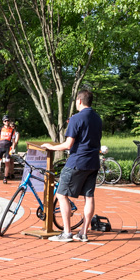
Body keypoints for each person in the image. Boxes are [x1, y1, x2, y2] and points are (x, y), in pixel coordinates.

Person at [42, 89, 102, 243]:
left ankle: (67, 233)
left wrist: (51, 147)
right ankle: (83, 233)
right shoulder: (98, 118)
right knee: (89, 196)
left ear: (79, 101)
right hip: (93, 162)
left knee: (61, 194)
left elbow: (68, 145)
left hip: (77, 161)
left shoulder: (76, 118)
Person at [0, 115, 18, 184]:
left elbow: (14, 140)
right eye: (5, 121)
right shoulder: (0, 129)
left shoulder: (12, 130)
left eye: (8, 120)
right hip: (0, 147)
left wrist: (13, 149)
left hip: (8, 148)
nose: (7, 122)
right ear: (3, 122)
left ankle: (5, 178)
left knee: (7, 163)